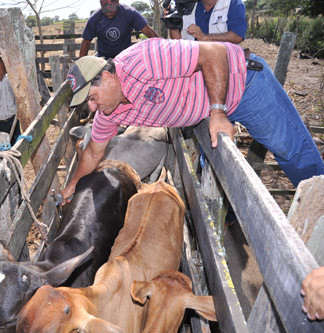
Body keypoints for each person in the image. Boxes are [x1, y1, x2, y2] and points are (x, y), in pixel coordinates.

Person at [60, 38, 324, 203]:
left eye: (92, 97)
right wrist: (72, 186)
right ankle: (232, 215)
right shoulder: (109, 111)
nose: (93, 108)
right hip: (206, 108)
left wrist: (217, 112)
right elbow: (94, 151)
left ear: (106, 78)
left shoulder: (141, 60)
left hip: (243, 84)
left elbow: (213, 52)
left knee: (291, 149)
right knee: (218, 166)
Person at [79, 0, 159, 59]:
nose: (109, 13)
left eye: (112, 10)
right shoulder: (95, 19)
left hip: (126, 57)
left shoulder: (130, 13)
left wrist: (161, 47)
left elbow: (148, 31)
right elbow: (86, 42)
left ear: (117, 3)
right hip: (104, 59)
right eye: (106, 11)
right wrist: (81, 65)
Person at [168, 0, 247, 44]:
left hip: (224, 60)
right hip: (193, 62)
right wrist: (172, 24)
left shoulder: (233, 3)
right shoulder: (185, 5)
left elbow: (237, 36)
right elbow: (179, 43)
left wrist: (205, 37)